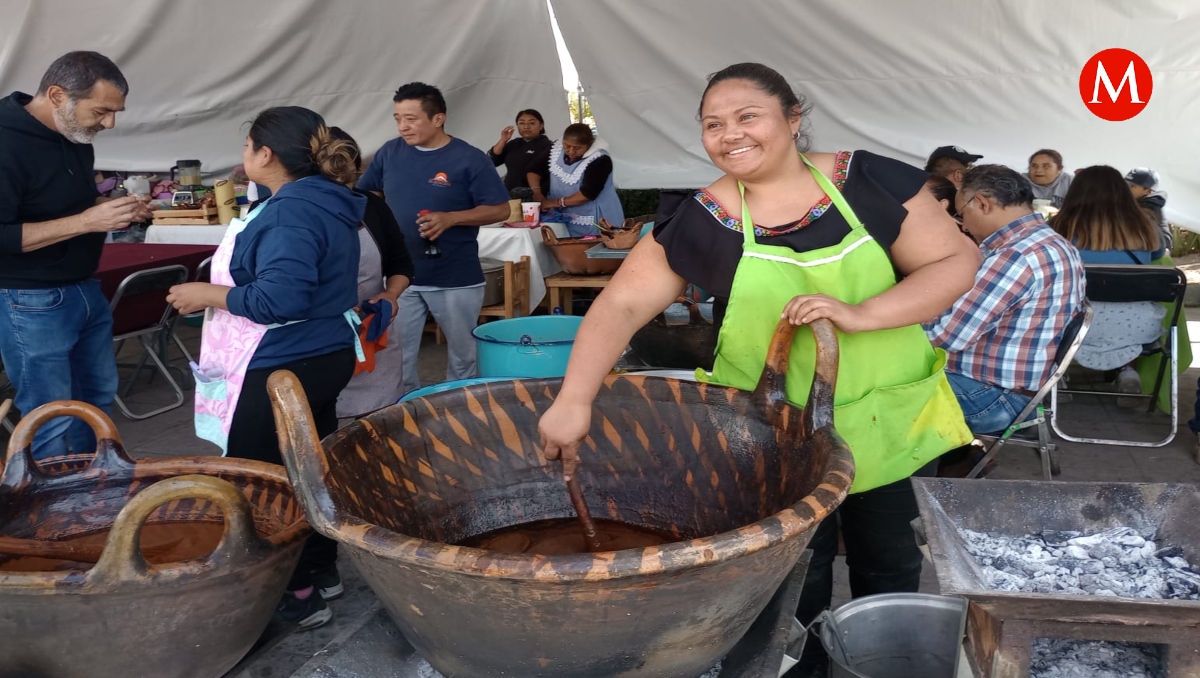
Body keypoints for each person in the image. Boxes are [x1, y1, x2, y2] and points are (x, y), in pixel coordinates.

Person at [536, 63, 980, 676]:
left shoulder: (865, 182)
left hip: (890, 415)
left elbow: (955, 261)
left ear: (793, 119)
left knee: (889, 560)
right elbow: (622, 303)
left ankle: (885, 661)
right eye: (713, 124)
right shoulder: (705, 216)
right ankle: (799, 667)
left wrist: (862, 312)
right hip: (771, 432)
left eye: (748, 116)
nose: (729, 134)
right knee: (796, 571)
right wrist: (574, 399)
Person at [166, 106, 365, 630]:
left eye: (247, 146)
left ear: (265, 153)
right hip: (322, 355)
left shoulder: (292, 211)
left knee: (261, 481)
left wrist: (203, 292)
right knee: (307, 468)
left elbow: (280, 298)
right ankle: (321, 570)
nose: (243, 157)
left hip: (281, 365)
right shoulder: (323, 199)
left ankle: (291, 595)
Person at [0, 51, 153, 459]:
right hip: (29, 298)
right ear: (56, 95)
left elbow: (73, 209)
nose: (110, 123)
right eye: (101, 111)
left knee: (97, 400)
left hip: (83, 287)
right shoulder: (5, 141)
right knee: (49, 414)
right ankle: (49, 514)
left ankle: (94, 493)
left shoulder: (74, 135)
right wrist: (86, 221)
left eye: (115, 112)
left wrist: (118, 212)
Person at [357, 82, 510, 396]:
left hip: (455, 275)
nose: (403, 126)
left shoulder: (469, 158)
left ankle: (461, 411)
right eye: (398, 118)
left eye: (411, 118)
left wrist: (451, 218)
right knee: (399, 355)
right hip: (401, 278)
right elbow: (369, 191)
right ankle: (408, 414)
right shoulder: (389, 152)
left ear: (438, 118)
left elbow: (500, 209)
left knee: (463, 354)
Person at [925, 165, 1085, 435]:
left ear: (981, 203)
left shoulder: (1015, 255)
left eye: (961, 213)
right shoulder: (1052, 242)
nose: (962, 223)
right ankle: (959, 458)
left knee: (872, 383)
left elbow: (946, 337)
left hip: (991, 398)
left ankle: (904, 471)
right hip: (1016, 391)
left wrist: (893, 318)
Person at [1051, 165, 1164, 397]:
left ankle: (1055, 373)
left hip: (1073, 326)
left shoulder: (1058, 227)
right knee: (1129, 303)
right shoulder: (1146, 225)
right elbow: (1157, 255)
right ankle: (1127, 372)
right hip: (1138, 327)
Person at [326, 127, 414, 417]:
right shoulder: (291, 212)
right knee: (322, 429)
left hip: (374, 332)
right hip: (321, 339)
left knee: (378, 424)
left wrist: (390, 294)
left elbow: (401, 263)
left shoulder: (373, 206)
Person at [527, 123, 624, 237]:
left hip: (595, 218)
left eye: (578, 148)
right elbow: (534, 170)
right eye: (567, 146)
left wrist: (553, 203)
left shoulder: (600, 159)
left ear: (590, 143)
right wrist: (537, 193)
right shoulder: (556, 150)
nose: (571, 151)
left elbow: (587, 194)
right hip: (562, 216)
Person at [488, 109, 553, 197]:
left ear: (541, 126)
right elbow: (492, 161)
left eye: (532, 123)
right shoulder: (514, 144)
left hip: (536, 197)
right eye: (521, 123)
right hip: (509, 195)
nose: (526, 127)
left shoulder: (549, 146)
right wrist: (503, 140)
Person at [1126, 167, 1172, 253]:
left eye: (1131, 186)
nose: (1125, 188)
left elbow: (1164, 243)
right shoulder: (1130, 203)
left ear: (1147, 191)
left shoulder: (1150, 209)